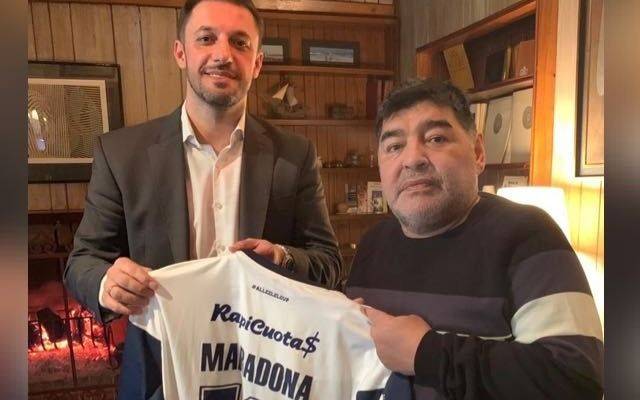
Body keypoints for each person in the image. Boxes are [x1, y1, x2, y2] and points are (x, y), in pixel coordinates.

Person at [64, 0, 341, 360]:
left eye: (240, 43)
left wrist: (282, 257)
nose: (223, 55)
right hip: (162, 367)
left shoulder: (294, 155)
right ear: (180, 53)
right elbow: (83, 261)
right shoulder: (120, 154)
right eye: (206, 38)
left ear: (257, 63)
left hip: (267, 369)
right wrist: (108, 284)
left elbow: (329, 263)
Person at [346, 79, 603, 399]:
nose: (412, 158)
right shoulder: (372, 244)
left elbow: (576, 380)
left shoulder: (528, 235)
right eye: (394, 146)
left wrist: (426, 353)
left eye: (436, 138)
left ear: (478, 152)